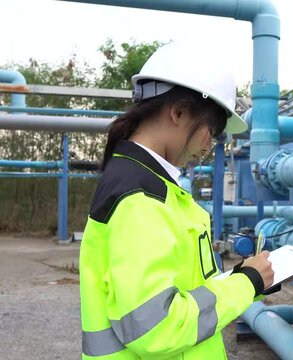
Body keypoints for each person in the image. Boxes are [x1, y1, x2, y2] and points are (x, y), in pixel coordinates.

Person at [79, 43, 275, 359]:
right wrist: (247, 284)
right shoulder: (140, 198)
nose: (210, 145)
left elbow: (192, 290)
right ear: (179, 112)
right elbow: (158, 328)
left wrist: (256, 276)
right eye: (211, 131)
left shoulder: (152, 187)